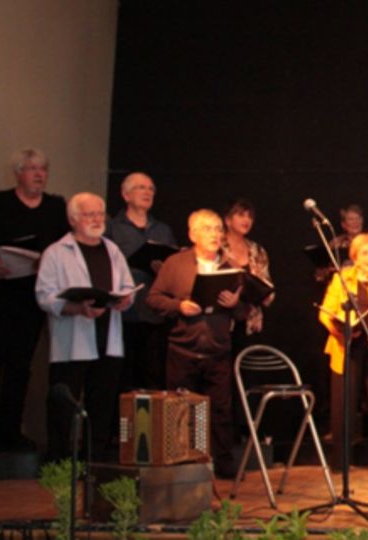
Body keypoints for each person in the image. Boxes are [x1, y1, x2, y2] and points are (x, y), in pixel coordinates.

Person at [35, 193, 136, 461]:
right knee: (63, 404)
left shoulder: (112, 250)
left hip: (107, 338)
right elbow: (44, 296)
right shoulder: (57, 252)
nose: (96, 219)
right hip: (73, 341)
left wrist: (125, 299)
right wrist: (77, 308)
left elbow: (127, 285)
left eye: (100, 214)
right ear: (72, 219)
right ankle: (59, 462)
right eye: (89, 214)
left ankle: (94, 460)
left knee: (101, 404)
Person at [146, 209, 246, 478]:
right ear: (192, 234)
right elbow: (153, 298)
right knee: (180, 409)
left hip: (218, 349)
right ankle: (181, 464)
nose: (215, 234)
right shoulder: (176, 263)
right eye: (208, 229)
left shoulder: (230, 266)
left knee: (221, 410)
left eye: (218, 229)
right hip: (183, 348)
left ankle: (223, 465)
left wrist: (235, 305)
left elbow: (243, 312)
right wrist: (179, 306)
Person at [0, 148, 69, 452]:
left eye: (43, 169)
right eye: (32, 169)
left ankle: (10, 432)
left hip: (33, 296)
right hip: (1, 292)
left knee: (20, 366)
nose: (39, 174)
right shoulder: (0, 203)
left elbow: (65, 246)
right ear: (18, 173)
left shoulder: (55, 207)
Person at [319, 232, 368, 473]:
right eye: (365, 253)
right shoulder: (342, 278)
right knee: (344, 402)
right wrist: (340, 329)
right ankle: (341, 461)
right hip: (347, 345)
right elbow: (325, 312)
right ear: (354, 257)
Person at [105, 172, 177, 390]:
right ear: (126, 194)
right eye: (141, 187)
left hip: (154, 311)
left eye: (151, 189)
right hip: (125, 311)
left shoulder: (162, 230)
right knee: (124, 376)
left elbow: (173, 264)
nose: (148, 192)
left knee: (152, 375)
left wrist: (165, 269)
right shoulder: (112, 228)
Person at [222, 199, 274, 353]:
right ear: (228, 220)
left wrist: (266, 294)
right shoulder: (216, 245)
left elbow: (267, 286)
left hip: (249, 322)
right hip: (221, 322)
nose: (246, 220)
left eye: (250, 216)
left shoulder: (257, 250)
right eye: (240, 215)